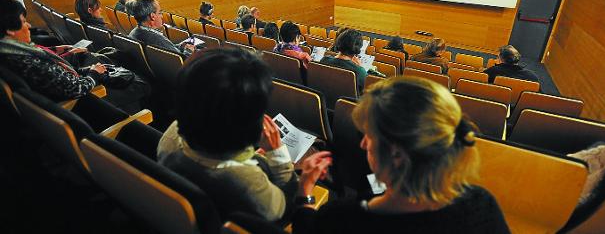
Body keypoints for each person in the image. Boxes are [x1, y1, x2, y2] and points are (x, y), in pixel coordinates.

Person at [293, 77, 510, 234]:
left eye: (369, 135)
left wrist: (305, 192)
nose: (362, 143)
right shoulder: (482, 204)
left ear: (396, 154)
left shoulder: (341, 218)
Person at [157, 48, 329, 221]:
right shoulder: (248, 183)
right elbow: (284, 207)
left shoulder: (170, 136)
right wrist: (279, 156)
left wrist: (252, 155)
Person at [0, 0, 150, 113]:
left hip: (76, 82)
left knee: (109, 63)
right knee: (142, 83)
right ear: (10, 30)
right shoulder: (28, 62)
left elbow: (59, 76)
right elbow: (75, 88)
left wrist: (87, 70)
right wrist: (93, 73)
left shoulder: (13, 53)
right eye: (23, 21)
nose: (29, 26)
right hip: (86, 99)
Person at [127, 0, 194, 57]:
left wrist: (181, 46)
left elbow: (168, 49)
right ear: (152, 16)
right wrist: (189, 51)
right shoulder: (156, 39)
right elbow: (183, 61)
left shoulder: (134, 32)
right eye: (159, 13)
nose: (161, 16)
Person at [321, 29, 367, 94]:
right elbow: (367, 90)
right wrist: (360, 67)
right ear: (357, 48)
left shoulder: (324, 60)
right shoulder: (360, 71)